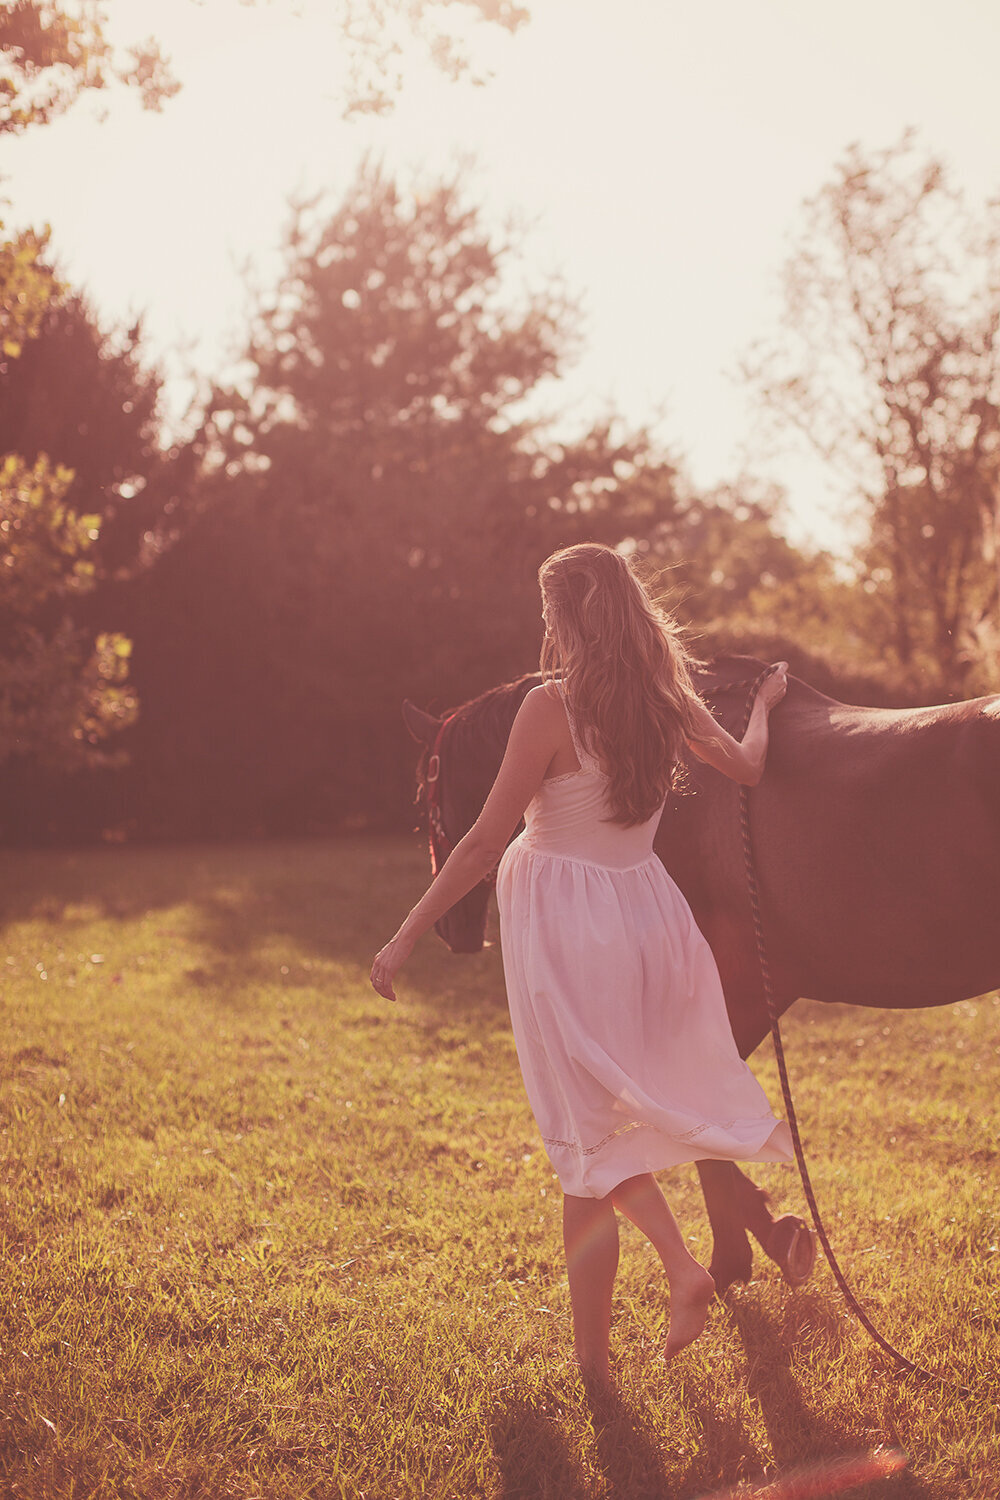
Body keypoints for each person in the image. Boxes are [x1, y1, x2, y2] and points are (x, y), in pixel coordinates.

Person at [371, 543, 793, 1383]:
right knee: (589, 1138)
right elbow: (747, 765)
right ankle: (627, 1329)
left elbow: (486, 840)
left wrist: (408, 931)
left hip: (565, 929)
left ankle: (652, 1304)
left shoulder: (548, 708)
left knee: (580, 1142)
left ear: (561, 618)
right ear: (631, 608)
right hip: (646, 919)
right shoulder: (664, 700)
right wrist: (767, 705)